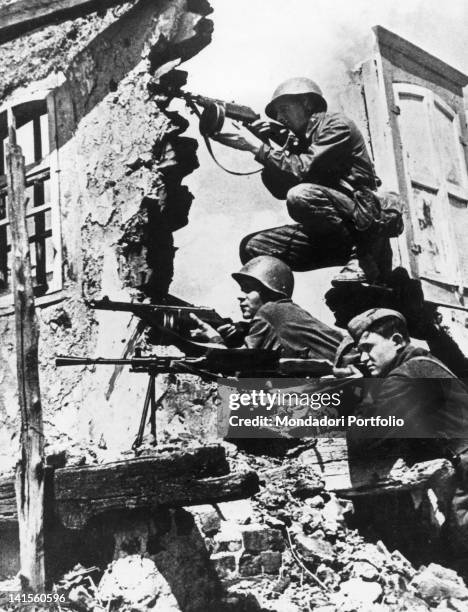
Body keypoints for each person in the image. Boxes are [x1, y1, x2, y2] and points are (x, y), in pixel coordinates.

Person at [212, 78, 402, 285]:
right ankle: (276, 306)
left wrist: (257, 148)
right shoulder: (298, 140)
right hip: (332, 236)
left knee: (300, 195)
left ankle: (364, 259)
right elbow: (280, 190)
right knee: (253, 246)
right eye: (276, 113)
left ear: (308, 104)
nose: (279, 117)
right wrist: (269, 145)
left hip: (363, 225)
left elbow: (302, 169)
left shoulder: (336, 125)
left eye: (284, 109)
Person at [345, 307, 468, 559]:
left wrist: (364, 392)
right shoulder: (423, 363)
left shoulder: (406, 375)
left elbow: (363, 437)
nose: (363, 357)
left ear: (397, 341)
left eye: (368, 347)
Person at [191, 255, 342, 361]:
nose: (241, 296)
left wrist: (213, 337)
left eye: (248, 289)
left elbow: (236, 364)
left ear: (269, 291)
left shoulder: (270, 310)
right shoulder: (285, 311)